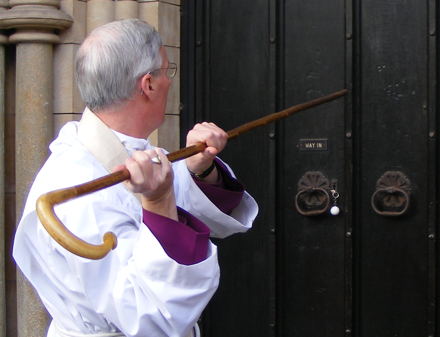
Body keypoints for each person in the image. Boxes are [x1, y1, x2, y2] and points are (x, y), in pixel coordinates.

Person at [13, 19, 258, 337]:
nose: (170, 82)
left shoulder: (127, 151)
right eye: (167, 72)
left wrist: (200, 169)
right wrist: (157, 202)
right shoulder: (77, 190)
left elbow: (182, 207)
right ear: (149, 84)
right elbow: (153, 316)